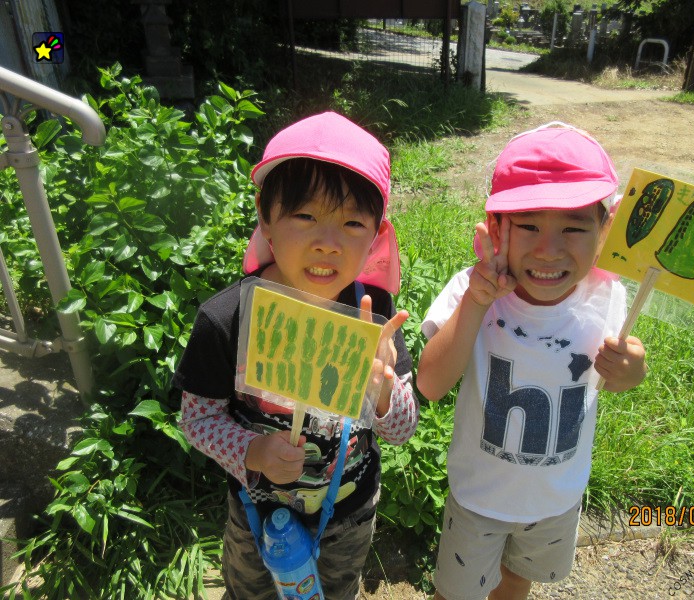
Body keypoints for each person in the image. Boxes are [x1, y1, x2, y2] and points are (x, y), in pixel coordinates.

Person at [172, 111, 419, 600]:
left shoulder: (375, 317)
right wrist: (252, 451)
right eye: (305, 216)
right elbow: (195, 420)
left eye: (352, 223)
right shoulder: (228, 318)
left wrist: (386, 392)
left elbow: (401, 432)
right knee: (251, 592)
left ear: (375, 235)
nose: (327, 243)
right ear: (266, 215)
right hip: (254, 513)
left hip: (346, 517)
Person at [416, 122, 648, 600]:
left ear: (604, 230)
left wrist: (632, 371)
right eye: (529, 226)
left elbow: (611, 381)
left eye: (573, 227)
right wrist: (477, 304)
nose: (548, 249)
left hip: (556, 498)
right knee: (454, 593)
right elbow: (430, 383)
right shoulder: (473, 290)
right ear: (498, 229)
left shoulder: (607, 295)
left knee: (517, 581)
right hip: (479, 496)